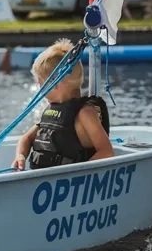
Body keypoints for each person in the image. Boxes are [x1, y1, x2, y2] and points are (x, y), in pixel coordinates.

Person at [12, 39, 114, 171]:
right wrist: (20, 155)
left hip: (69, 182)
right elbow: (26, 138)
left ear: (55, 86)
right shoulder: (51, 111)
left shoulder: (85, 113)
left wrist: (78, 173)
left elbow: (106, 152)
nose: (39, 90)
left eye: (41, 85)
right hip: (45, 181)